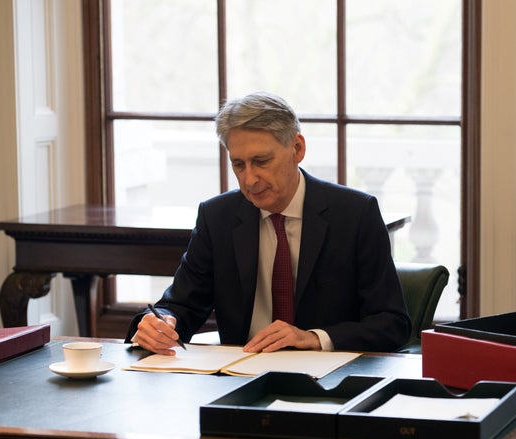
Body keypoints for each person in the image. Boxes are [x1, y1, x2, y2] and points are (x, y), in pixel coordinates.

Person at [125, 92, 411, 355]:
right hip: (238, 377)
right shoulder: (218, 217)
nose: (249, 179)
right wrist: (155, 324)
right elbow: (179, 306)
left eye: (261, 161)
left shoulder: (354, 214)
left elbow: (391, 323)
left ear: (297, 148)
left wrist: (313, 337)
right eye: (239, 164)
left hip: (326, 380)